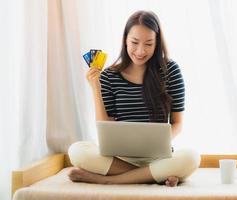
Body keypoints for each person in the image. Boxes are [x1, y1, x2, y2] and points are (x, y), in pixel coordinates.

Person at [68, 10, 200, 187]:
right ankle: (156, 175)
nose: (140, 51)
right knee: (77, 151)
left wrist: (158, 142)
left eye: (149, 44)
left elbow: (177, 123)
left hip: (159, 157)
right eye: (135, 42)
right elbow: (105, 126)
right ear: (125, 40)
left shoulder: (171, 71)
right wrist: (95, 89)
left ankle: (107, 180)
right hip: (119, 159)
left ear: (157, 43)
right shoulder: (109, 76)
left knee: (191, 158)